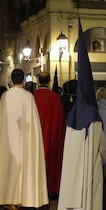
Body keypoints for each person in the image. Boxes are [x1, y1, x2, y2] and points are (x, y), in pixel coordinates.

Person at [56, 26, 106, 210]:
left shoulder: (72, 115)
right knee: (90, 190)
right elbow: (102, 147)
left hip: (72, 166)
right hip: (91, 165)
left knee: (72, 185)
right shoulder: (94, 116)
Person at [0, 68, 49, 210]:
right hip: (24, 140)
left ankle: (7, 198)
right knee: (24, 168)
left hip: (9, 139)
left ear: (11, 79)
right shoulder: (28, 97)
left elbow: (1, 119)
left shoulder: (5, 96)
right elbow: (33, 122)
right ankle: (25, 198)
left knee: (9, 168)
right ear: (23, 80)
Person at [34, 71, 66, 199]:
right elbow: (60, 121)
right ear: (49, 81)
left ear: (38, 81)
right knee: (52, 164)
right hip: (52, 137)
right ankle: (52, 189)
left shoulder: (33, 97)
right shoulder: (55, 97)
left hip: (36, 138)